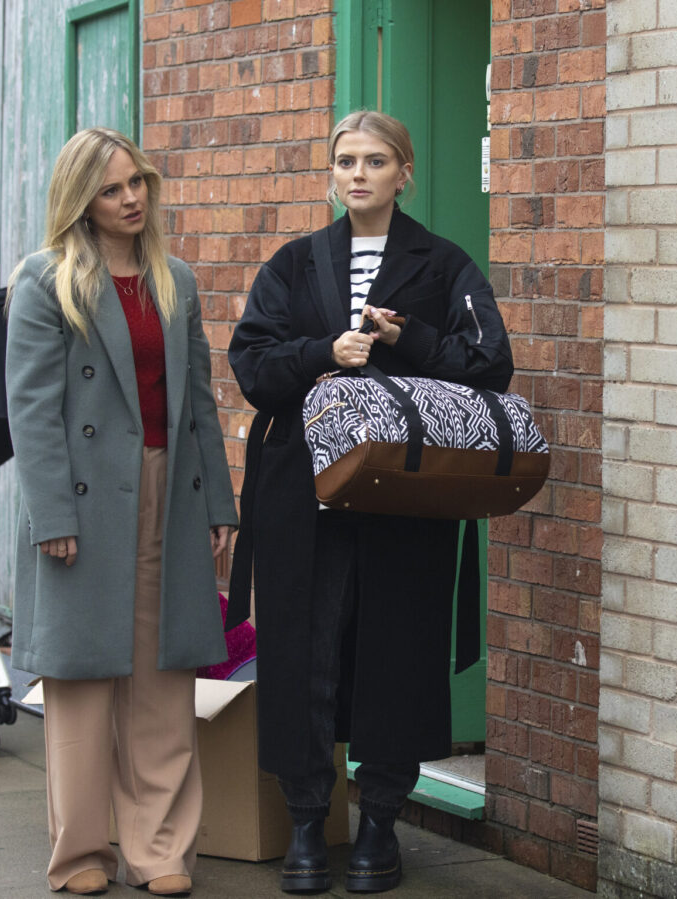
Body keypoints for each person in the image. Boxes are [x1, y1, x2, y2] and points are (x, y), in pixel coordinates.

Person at [227, 110, 514, 894]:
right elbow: (250, 362)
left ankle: (379, 828)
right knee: (302, 660)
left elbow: (493, 365)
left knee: (395, 657)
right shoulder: (295, 262)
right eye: (345, 160)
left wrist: (409, 339)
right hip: (301, 496)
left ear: (404, 172)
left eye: (376, 160)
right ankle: (307, 829)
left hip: (406, 500)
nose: (358, 173)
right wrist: (326, 350)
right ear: (331, 171)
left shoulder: (445, 264)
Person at [5, 127, 237, 897]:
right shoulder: (45, 282)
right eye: (112, 188)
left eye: (137, 181)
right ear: (81, 199)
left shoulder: (176, 280)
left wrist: (220, 501)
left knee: (166, 675)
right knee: (80, 682)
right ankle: (80, 856)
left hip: (170, 489)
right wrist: (51, 517)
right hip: (81, 498)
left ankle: (161, 849)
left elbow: (200, 401)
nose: (131, 197)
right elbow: (32, 412)